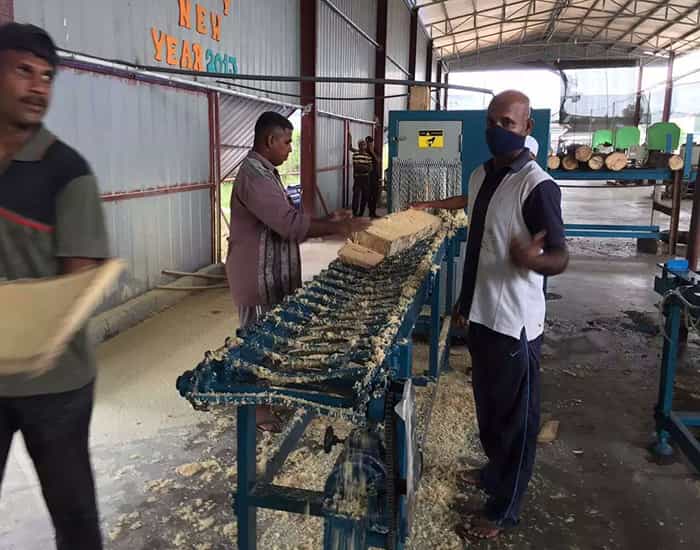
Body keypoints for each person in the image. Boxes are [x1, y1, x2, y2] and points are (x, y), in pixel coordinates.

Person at [412, 90, 568, 540]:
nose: (498, 130)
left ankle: (504, 509)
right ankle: (491, 473)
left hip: (515, 324)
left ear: (526, 128)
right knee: (488, 408)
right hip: (482, 317)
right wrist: (431, 208)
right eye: (492, 122)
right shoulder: (482, 173)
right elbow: (473, 209)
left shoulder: (537, 186)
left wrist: (532, 260)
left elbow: (560, 256)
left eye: (508, 123)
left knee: (516, 422)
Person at [0, 23, 109, 549]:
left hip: (56, 384)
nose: (38, 87)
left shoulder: (66, 172)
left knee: (75, 518)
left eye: (47, 76)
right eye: (24, 71)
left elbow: (75, 290)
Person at [226, 112, 369, 432]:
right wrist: (339, 228)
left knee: (273, 339)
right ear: (270, 140)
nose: (291, 149)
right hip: (256, 278)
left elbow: (284, 218)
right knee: (256, 342)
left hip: (271, 273)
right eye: (287, 142)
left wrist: (329, 220)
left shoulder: (266, 172)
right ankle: (255, 410)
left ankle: (267, 394)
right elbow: (289, 225)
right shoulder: (254, 176)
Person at [349, 139, 373, 217]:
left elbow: (370, 168)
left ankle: (361, 212)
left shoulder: (368, 156)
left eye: (364, 145)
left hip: (365, 178)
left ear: (365, 146)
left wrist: (362, 166)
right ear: (359, 146)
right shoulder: (355, 155)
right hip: (358, 178)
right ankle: (354, 212)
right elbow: (356, 167)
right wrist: (365, 167)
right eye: (361, 145)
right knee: (356, 195)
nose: (363, 146)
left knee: (364, 196)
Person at [364, 135, 381, 218]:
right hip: (367, 177)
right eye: (368, 143)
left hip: (375, 176)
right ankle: (370, 211)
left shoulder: (375, 150)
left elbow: (378, 160)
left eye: (370, 143)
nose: (369, 144)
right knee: (368, 195)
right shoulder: (365, 151)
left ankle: (373, 212)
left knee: (375, 194)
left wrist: (372, 152)